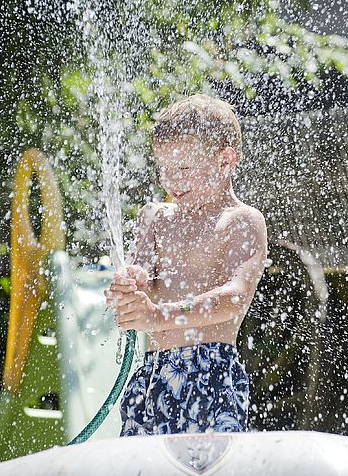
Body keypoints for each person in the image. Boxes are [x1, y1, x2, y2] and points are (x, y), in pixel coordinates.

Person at [105, 92, 268, 436]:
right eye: (163, 169)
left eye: (183, 168)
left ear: (225, 161)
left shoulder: (240, 221)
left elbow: (235, 297)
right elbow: (141, 282)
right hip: (151, 375)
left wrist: (156, 316)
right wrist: (129, 288)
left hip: (211, 375)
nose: (171, 181)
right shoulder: (155, 218)